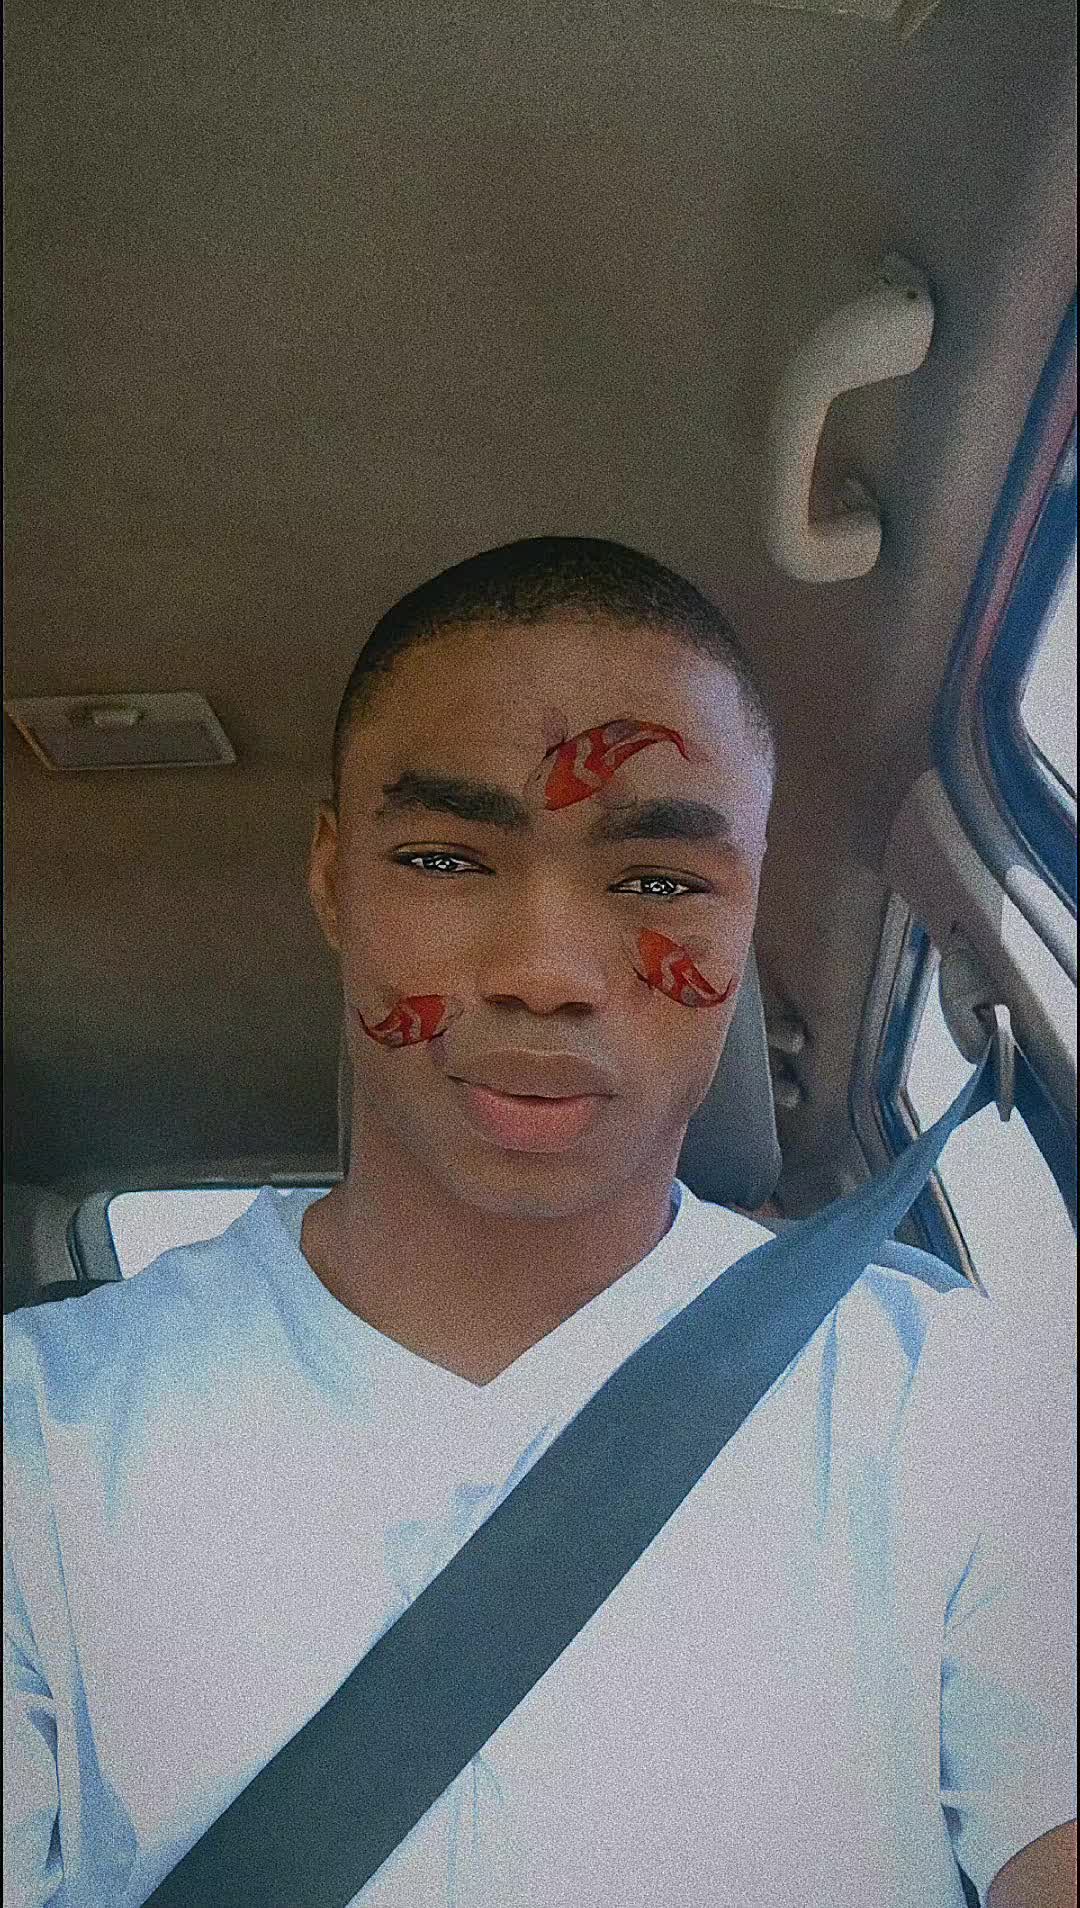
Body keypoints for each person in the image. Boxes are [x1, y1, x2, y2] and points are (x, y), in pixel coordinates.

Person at [4, 537, 1075, 1907]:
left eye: (660, 880)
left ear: (749, 909)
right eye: (444, 858)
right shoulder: (37, 1439)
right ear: (334, 881)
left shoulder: (958, 1416)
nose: (545, 970)